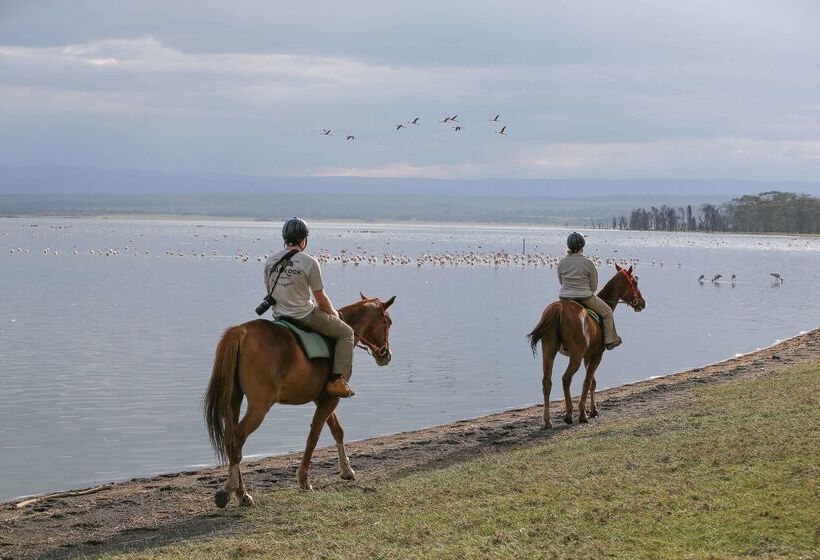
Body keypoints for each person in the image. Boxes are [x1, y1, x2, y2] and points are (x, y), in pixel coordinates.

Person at [264, 217, 356, 397]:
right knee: (347, 333)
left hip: (279, 317)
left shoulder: (270, 260)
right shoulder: (309, 262)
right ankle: (336, 381)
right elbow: (320, 298)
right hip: (304, 316)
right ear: (304, 241)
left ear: (285, 238)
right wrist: (334, 314)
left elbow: (269, 292)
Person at [557, 232, 622, 350]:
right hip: (585, 297)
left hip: (564, 298)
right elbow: (594, 284)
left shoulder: (562, 262)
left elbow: (561, 281)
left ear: (569, 246)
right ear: (582, 246)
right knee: (607, 312)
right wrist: (588, 291)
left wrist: (569, 290)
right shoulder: (588, 263)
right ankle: (610, 340)